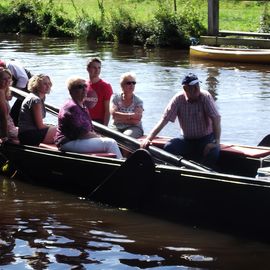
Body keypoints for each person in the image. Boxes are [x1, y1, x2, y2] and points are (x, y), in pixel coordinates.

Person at [141, 73, 221, 168]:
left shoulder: (205, 97)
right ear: (185, 89)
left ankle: (202, 173)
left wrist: (216, 141)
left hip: (206, 138)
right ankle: (176, 171)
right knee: (169, 147)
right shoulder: (178, 99)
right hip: (186, 139)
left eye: (197, 85)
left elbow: (216, 119)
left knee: (213, 152)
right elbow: (164, 120)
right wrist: (149, 138)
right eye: (193, 87)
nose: (197, 89)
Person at [54, 76, 122, 159]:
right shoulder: (72, 107)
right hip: (68, 142)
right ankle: (122, 167)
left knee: (108, 141)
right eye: (80, 87)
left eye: (85, 86)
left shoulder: (82, 105)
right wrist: (99, 137)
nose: (84, 89)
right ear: (71, 91)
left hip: (77, 139)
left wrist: (98, 136)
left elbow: (88, 129)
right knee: (110, 143)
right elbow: (82, 133)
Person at [18, 74, 57, 146]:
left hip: (26, 134)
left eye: (49, 83)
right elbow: (40, 126)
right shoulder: (36, 100)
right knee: (62, 130)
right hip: (29, 135)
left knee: (58, 128)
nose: (48, 86)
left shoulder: (37, 98)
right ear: (36, 85)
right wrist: (53, 127)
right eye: (44, 84)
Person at [110, 72, 144, 139]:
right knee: (111, 138)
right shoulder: (115, 98)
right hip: (116, 126)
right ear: (122, 85)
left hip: (134, 127)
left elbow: (136, 120)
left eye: (133, 83)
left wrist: (119, 118)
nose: (131, 85)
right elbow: (114, 114)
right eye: (128, 83)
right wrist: (131, 116)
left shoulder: (138, 101)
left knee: (125, 138)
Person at [0, 59, 32, 126]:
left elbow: (23, 79)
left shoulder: (11, 65)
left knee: (16, 114)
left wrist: (10, 93)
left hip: (29, 91)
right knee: (13, 114)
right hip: (22, 91)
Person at [85, 57, 113, 126]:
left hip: (98, 123)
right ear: (88, 69)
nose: (97, 70)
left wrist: (105, 128)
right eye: (94, 68)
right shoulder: (84, 85)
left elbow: (108, 110)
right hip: (85, 120)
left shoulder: (106, 86)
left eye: (99, 68)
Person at [0, 67, 18, 142]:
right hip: (7, 130)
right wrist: (5, 137)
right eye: (4, 79)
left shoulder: (4, 91)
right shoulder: (0, 92)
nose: (7, 81)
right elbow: (3, 117)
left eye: (9, 78)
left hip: (9, 126)